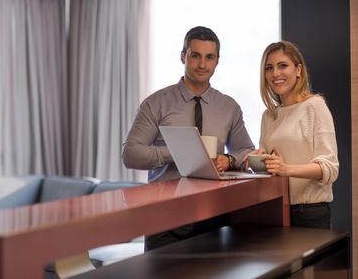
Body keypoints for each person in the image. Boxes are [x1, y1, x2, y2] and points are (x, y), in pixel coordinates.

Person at [122, 26, 254, 248]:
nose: (202, 64)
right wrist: (179, 152)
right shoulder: (156, 103)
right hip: (164, 218)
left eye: (209, 57)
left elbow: (247, 151)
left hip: (214, 215)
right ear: (183, 56)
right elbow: (130, 154)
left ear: (217, 61)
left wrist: (229, 160)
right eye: (195, 56)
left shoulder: (229, 107)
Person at [245, 41, 339, 229]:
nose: (275, 73)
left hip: (309, 213)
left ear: (298, 70)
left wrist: (287, 169)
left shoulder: (315, 106)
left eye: (283, 65)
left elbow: (330, 168)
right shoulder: (268, 116)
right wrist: (260, 162)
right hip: (276, 210)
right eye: (269, 68)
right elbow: (274, 169)